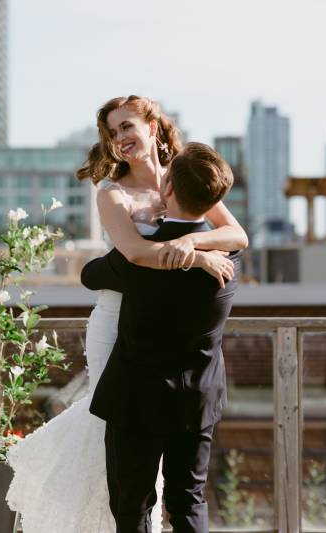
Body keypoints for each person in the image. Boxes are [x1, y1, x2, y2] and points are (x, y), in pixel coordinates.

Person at [5, 96, 248, 532]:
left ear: (153, 126)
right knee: (117, 429)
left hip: (159, 318)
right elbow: (134, 253)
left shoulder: (185, 175)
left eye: (126, 127)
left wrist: (191, 245)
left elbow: (237, 234)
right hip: (118, 318)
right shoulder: (112, 192)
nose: (119, 139)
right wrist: (197, 258)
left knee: (145, 441)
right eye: (112, 133)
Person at [82, 141, 242, 533]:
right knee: (189, 500)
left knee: (132, 504)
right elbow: (236, 234)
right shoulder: (230, 259)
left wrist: (150, 229)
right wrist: (193, 244)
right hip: (198, 397)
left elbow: (90, 275)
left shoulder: (138, 259)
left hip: (137, 397)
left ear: (167, 189)